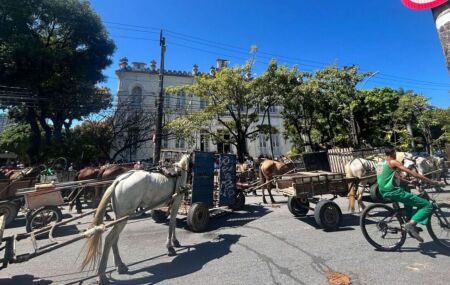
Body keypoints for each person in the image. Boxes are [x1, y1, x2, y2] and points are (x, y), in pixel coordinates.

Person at [376, 148, 445, 242]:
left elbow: (395, 177)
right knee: (427, 206)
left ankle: (409, 221)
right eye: (395, 153)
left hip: (383, 190)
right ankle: (410, 225)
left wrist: (409, 182)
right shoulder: (393, 162)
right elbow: (413, 173)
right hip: (394, 191)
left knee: (409, 202)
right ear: (393, 153)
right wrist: (432, 181)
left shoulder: (380, 164)